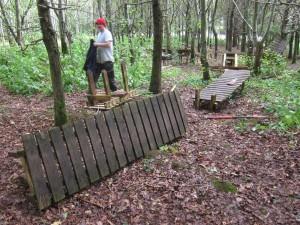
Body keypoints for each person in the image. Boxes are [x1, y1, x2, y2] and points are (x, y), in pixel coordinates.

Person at [93, 17, 118, 92]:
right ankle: (92, 92)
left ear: (104, 24)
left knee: (110, 80)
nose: (98, 25)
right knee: (94, 76)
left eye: (100, 24)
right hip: (99, 61)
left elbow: (108, 44)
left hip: (107, 60)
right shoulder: (99, 34)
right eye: (97, 24)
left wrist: (97, 44)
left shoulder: (107, 33)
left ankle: (115, 93)